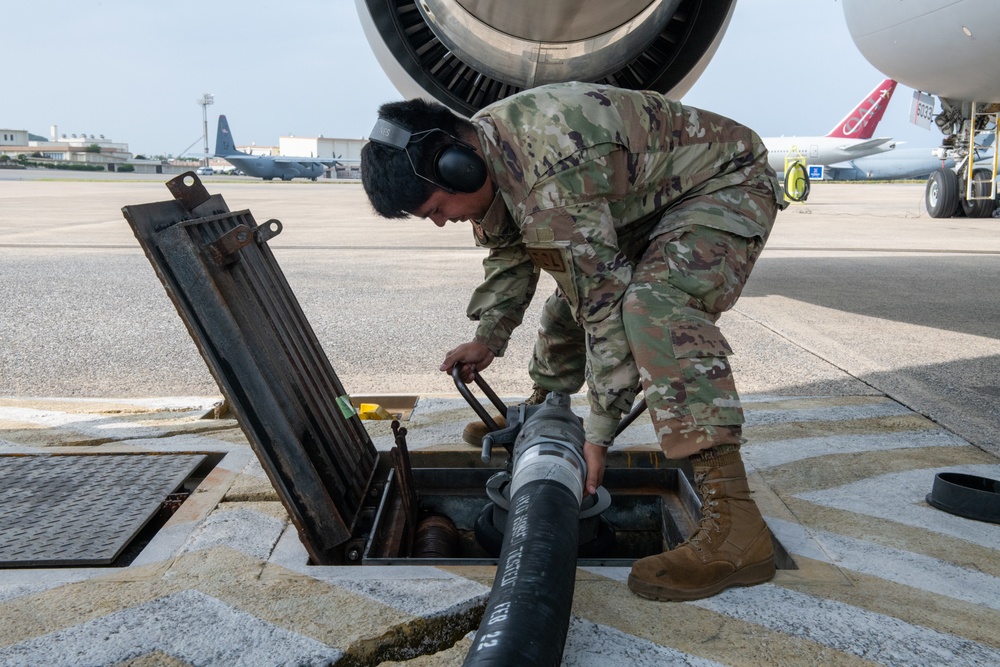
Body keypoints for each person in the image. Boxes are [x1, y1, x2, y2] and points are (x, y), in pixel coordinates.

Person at [360, 81, 785, 601]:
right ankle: (546, 412)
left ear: (457, 166)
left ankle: (735, 524)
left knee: (652, 308)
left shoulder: (550, 170)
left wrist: (600, 436)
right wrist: (488, 337)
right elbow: (513, 250)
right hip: (652, 203)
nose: (443, 220)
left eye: (436, 209)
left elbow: (604, 309)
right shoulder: (490, 146)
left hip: (726, 186)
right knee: (567, 303)